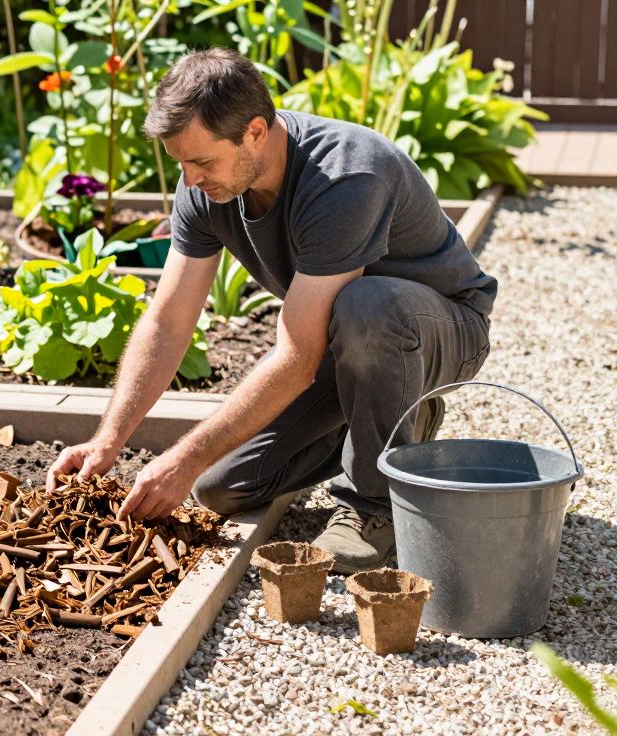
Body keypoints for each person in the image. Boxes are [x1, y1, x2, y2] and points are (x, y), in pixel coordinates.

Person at [45, 48, 496, 573]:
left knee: (367, 304)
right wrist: (108, 440)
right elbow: (168, 321)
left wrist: (182, 458)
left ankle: (373, 508)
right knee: (221, 487)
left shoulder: (345, 177)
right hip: (344, 343)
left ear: (256, 131)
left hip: (439, 329)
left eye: (203, 162)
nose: (190, 180)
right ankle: (396, 421)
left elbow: (297, 356)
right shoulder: (205, 186)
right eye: (182, 163)